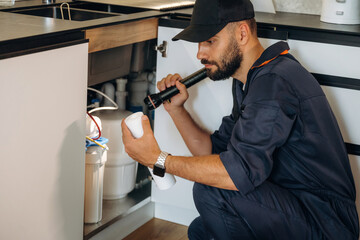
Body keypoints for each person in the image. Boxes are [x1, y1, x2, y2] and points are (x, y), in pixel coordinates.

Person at [121, 0, 359, 239]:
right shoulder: (250, 82)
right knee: (201, 231)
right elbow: (210, 154)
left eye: (210, 41)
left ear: (242, 33)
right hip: (295, 206)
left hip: (325, 223)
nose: (200, 54)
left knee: (211, 191)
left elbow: (236, 174)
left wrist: (158, 160)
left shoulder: (274, 82)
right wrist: (176, 110)